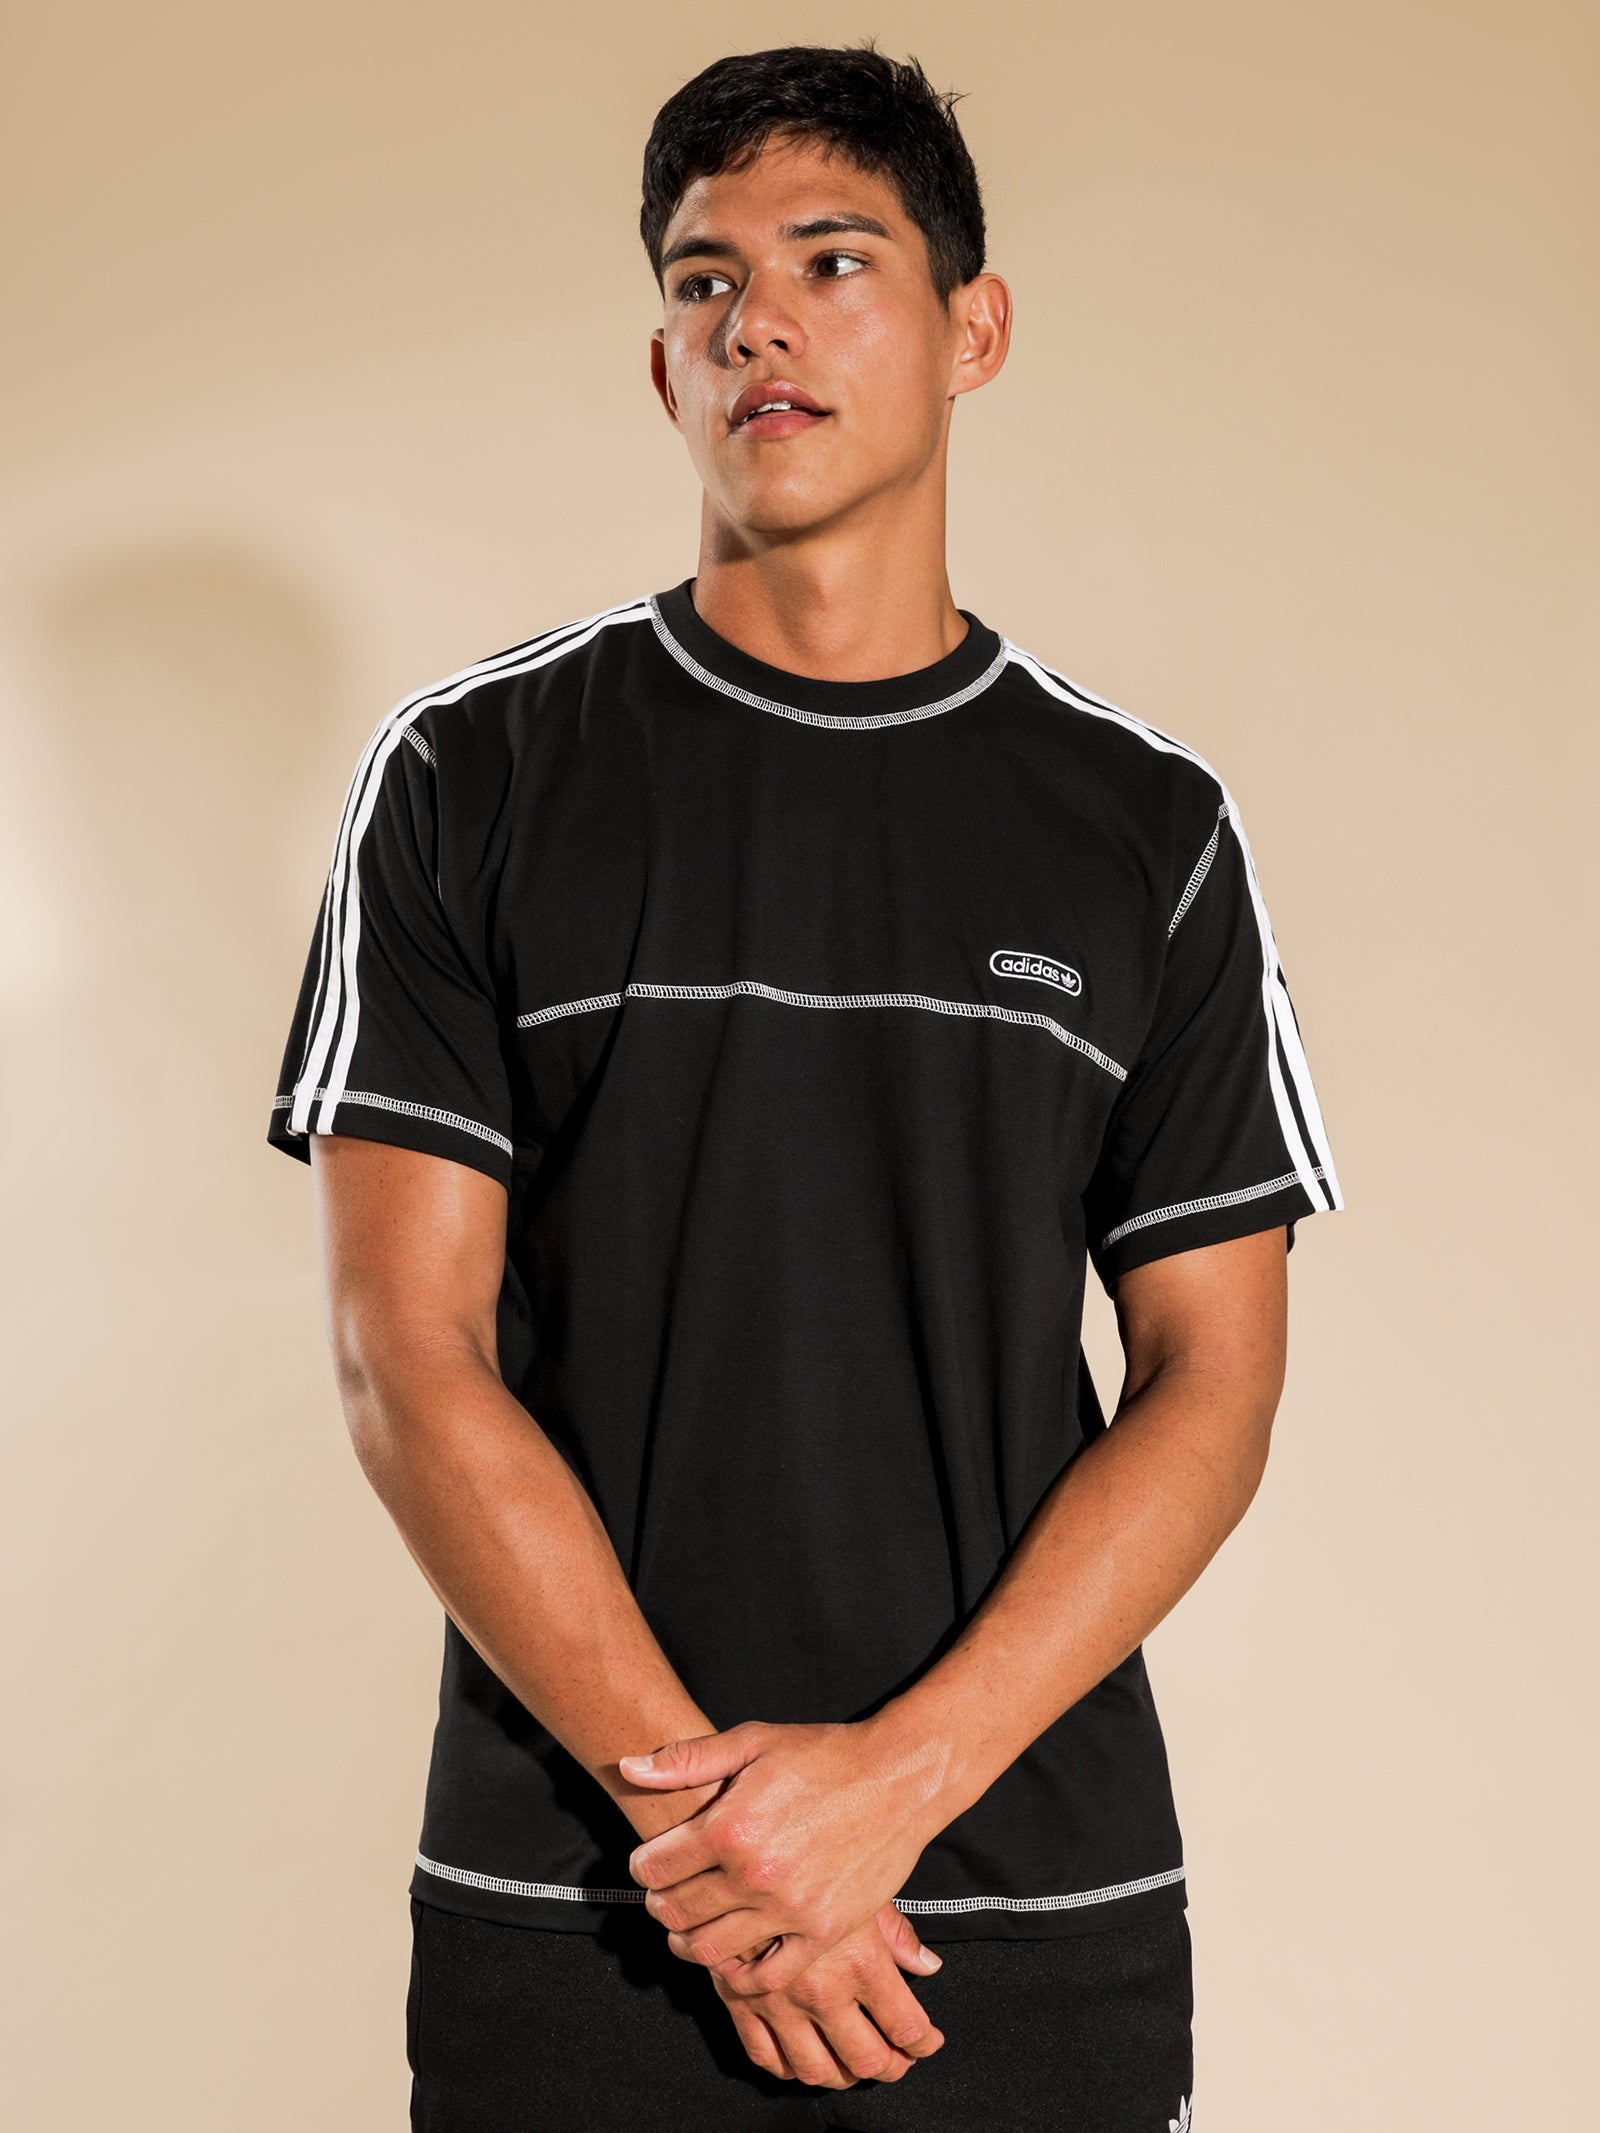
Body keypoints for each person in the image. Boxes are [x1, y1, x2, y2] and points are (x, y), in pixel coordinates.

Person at [267, 39, 1340, 2133]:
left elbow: (1213, 1378)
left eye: (831, 261)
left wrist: (892, 1786)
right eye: (703, 281)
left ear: (971, 330)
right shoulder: (471, 778)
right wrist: (731, 1847)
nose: (754, 318)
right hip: (584, 1917)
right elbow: (408, 1354)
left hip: (1023, 1920)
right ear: (660, 367)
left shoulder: (1144, 829)